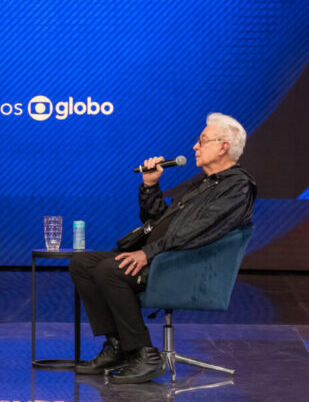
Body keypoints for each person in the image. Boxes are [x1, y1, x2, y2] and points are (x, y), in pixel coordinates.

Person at [69, 113, 256, 384]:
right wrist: (150, 185)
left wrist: (147, 253)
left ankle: (145, 354)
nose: (195, 146)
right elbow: (158, 221)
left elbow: (196, 231)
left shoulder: (238, 185)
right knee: (82, 263)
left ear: (223, 146)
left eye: (202, 140)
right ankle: (118, 347)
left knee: (110, 270)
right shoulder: (204, 183)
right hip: (162, 256)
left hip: (182, 266)